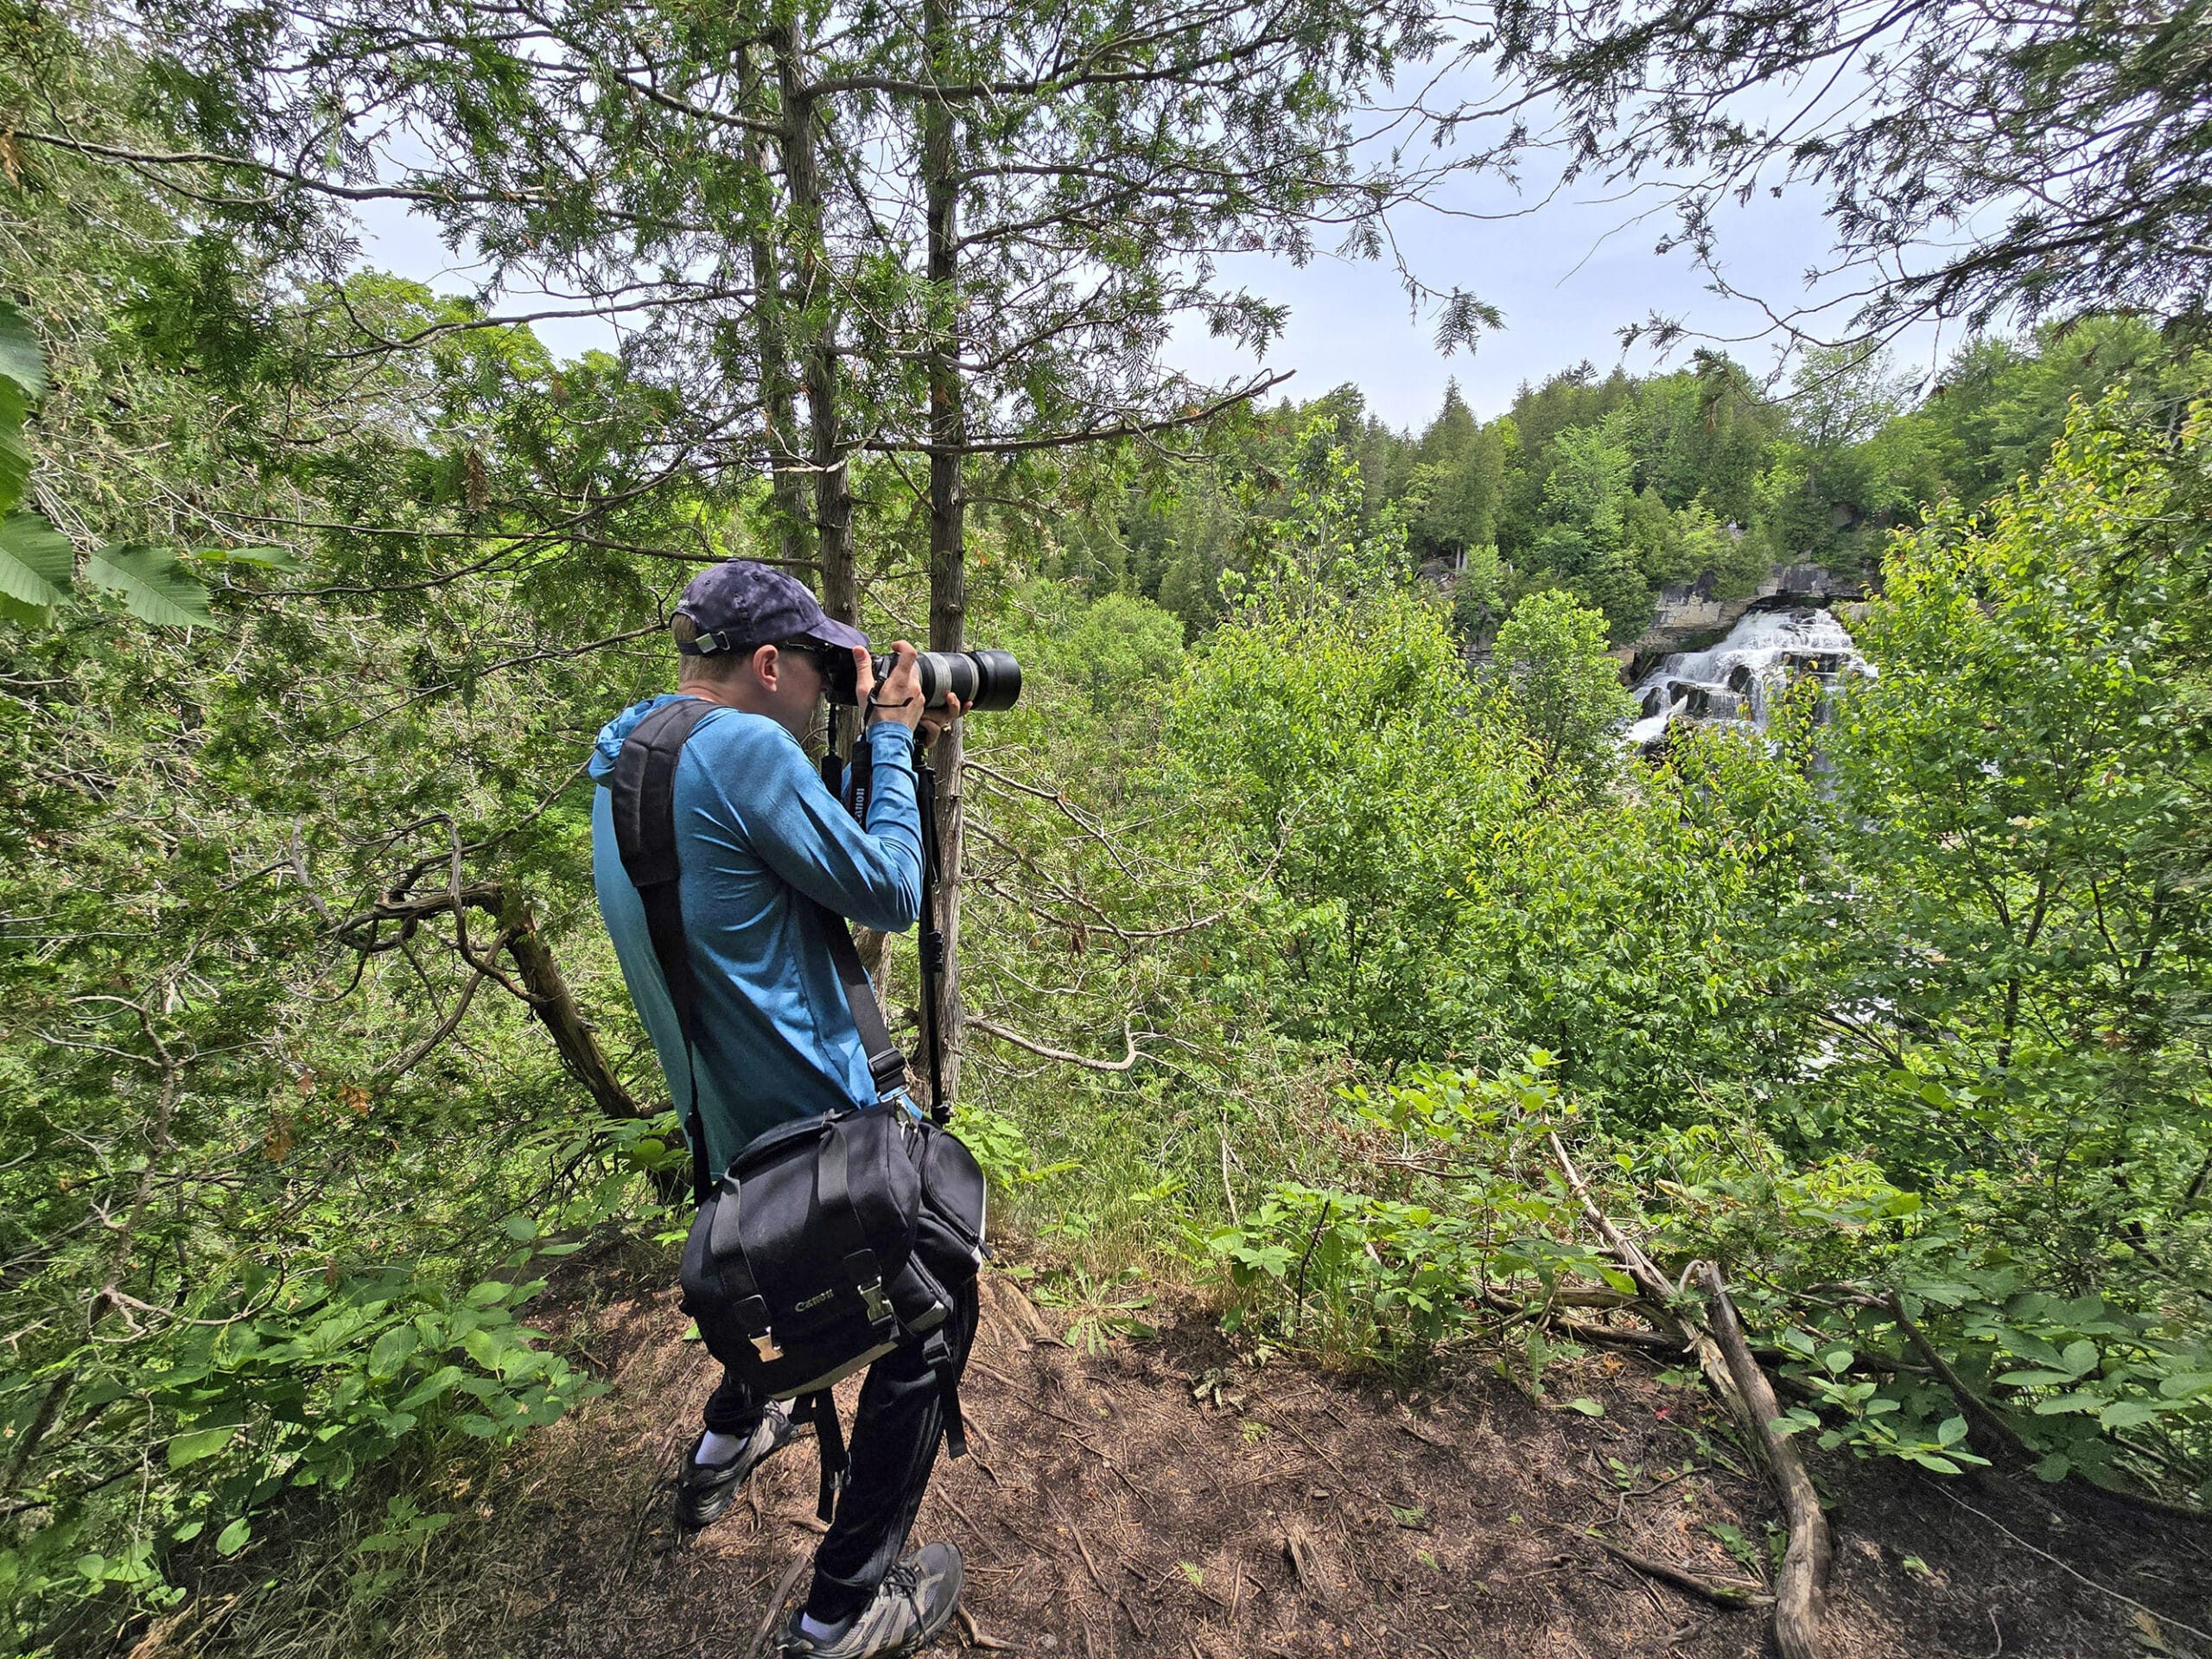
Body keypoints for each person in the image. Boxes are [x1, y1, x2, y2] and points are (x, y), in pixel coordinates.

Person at [588, 558, 972, 1659]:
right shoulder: (750, 748)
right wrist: (895, 742)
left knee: (787, 1277)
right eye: (814, 667)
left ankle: (725, 1442)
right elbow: (890, 892)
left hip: (730, 1128)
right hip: (821, 1133)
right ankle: (845, 1611)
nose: (824, 693)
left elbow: (774, 877)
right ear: (767, 664)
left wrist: (867, 743)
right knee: (931, 1314)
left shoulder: (632, 750)